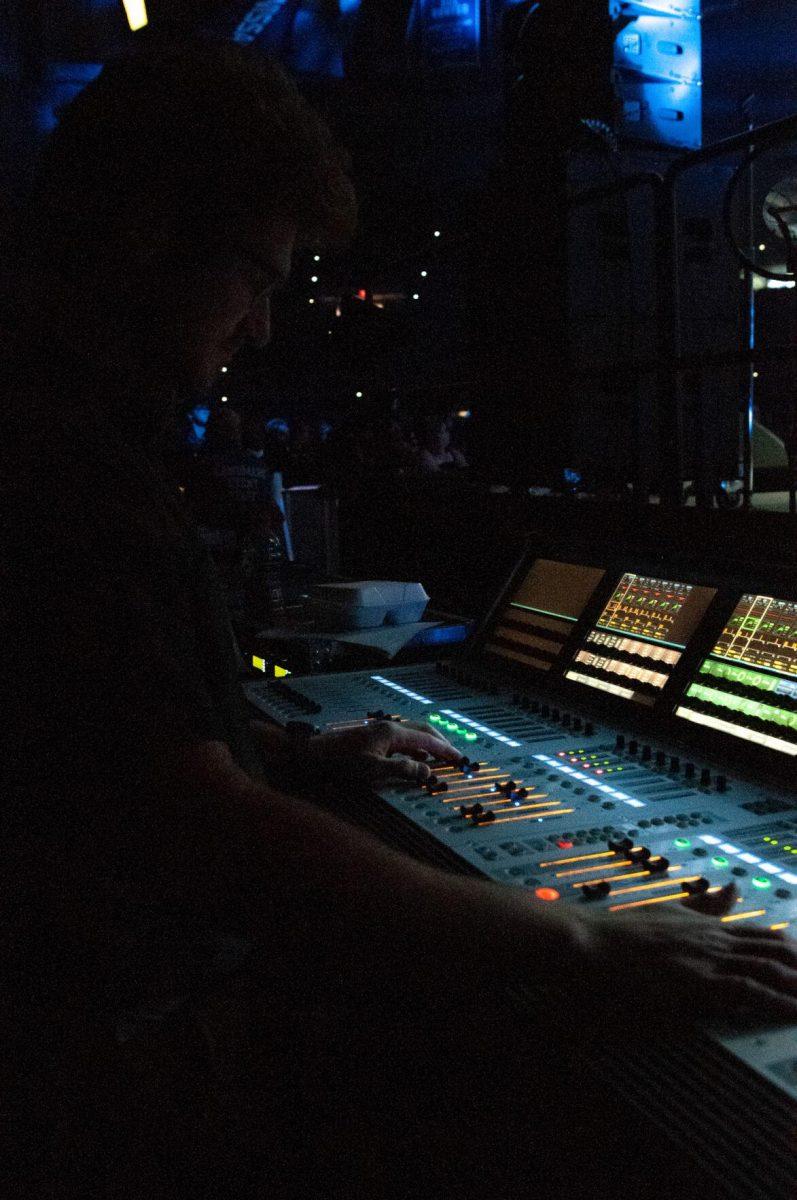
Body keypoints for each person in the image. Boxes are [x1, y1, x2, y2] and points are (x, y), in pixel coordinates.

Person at [1, 41, 795, 1200]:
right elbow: (198, 829)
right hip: (89, 1068)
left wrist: (284, 745)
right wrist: (585, 937)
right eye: (256, 278)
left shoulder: (69, 432)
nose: (262, 329)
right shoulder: (55, 465)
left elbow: (104, 732)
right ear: (148, 230)